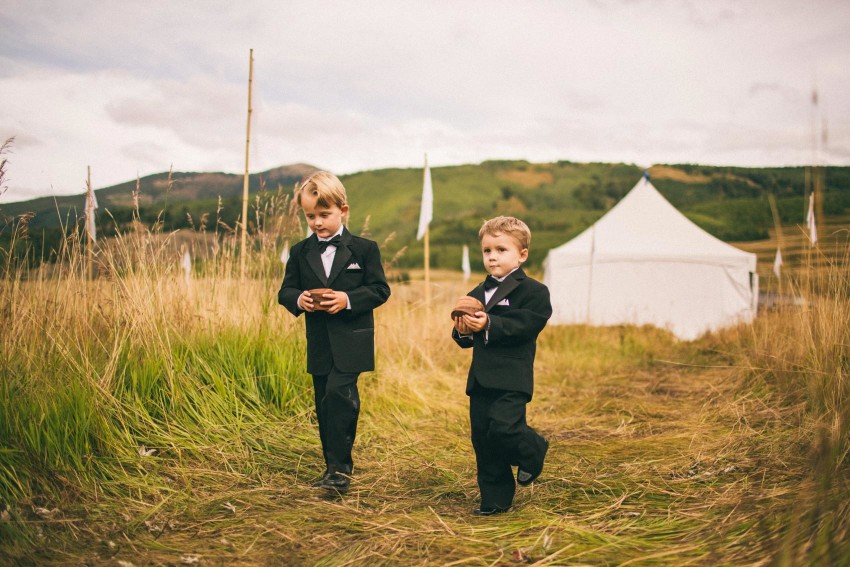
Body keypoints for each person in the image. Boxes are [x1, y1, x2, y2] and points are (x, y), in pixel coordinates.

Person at [278, 171, 391, 493]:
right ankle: (331, 466)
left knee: (339, 395)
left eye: (324, 215)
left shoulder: (364, 249)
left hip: (352, 340)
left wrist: (346, 299)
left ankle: (341, 472)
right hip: (320, 343)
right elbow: (285, 292)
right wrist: (300, 299)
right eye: (310, 216)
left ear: (343, 210)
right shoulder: (300, 252)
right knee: (324, 402)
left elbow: (380, 290)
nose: (316, 222)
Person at [452, 216, 552, 515]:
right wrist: (463, 330)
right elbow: (463, 337)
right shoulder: (476, 294)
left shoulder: (534, 291)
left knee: (504, 429)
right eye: (487, 251)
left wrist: (490, 323)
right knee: (483, 438)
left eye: (501, 249)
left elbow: (528, 324)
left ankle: (533, 449)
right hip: (481, 380)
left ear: (522, 255)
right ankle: (494, 501)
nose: (492, 256)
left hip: (512, 378)